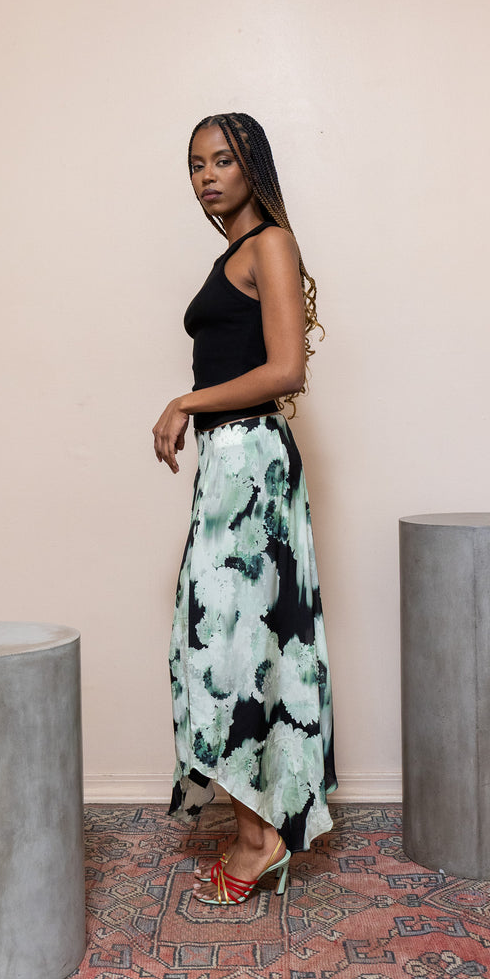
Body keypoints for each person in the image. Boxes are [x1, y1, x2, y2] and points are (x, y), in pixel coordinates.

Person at [152, 112, 337, 905]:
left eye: (222, 160)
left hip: (252, 461)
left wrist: (185, 400)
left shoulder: (270, 244)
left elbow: (287, 369)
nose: (207, 176)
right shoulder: (230, 254)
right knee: (224, 648)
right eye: (197, 164)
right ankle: (256, 826)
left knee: (235, 649)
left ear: (252, 164)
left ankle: (261, 839)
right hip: (228, 464)